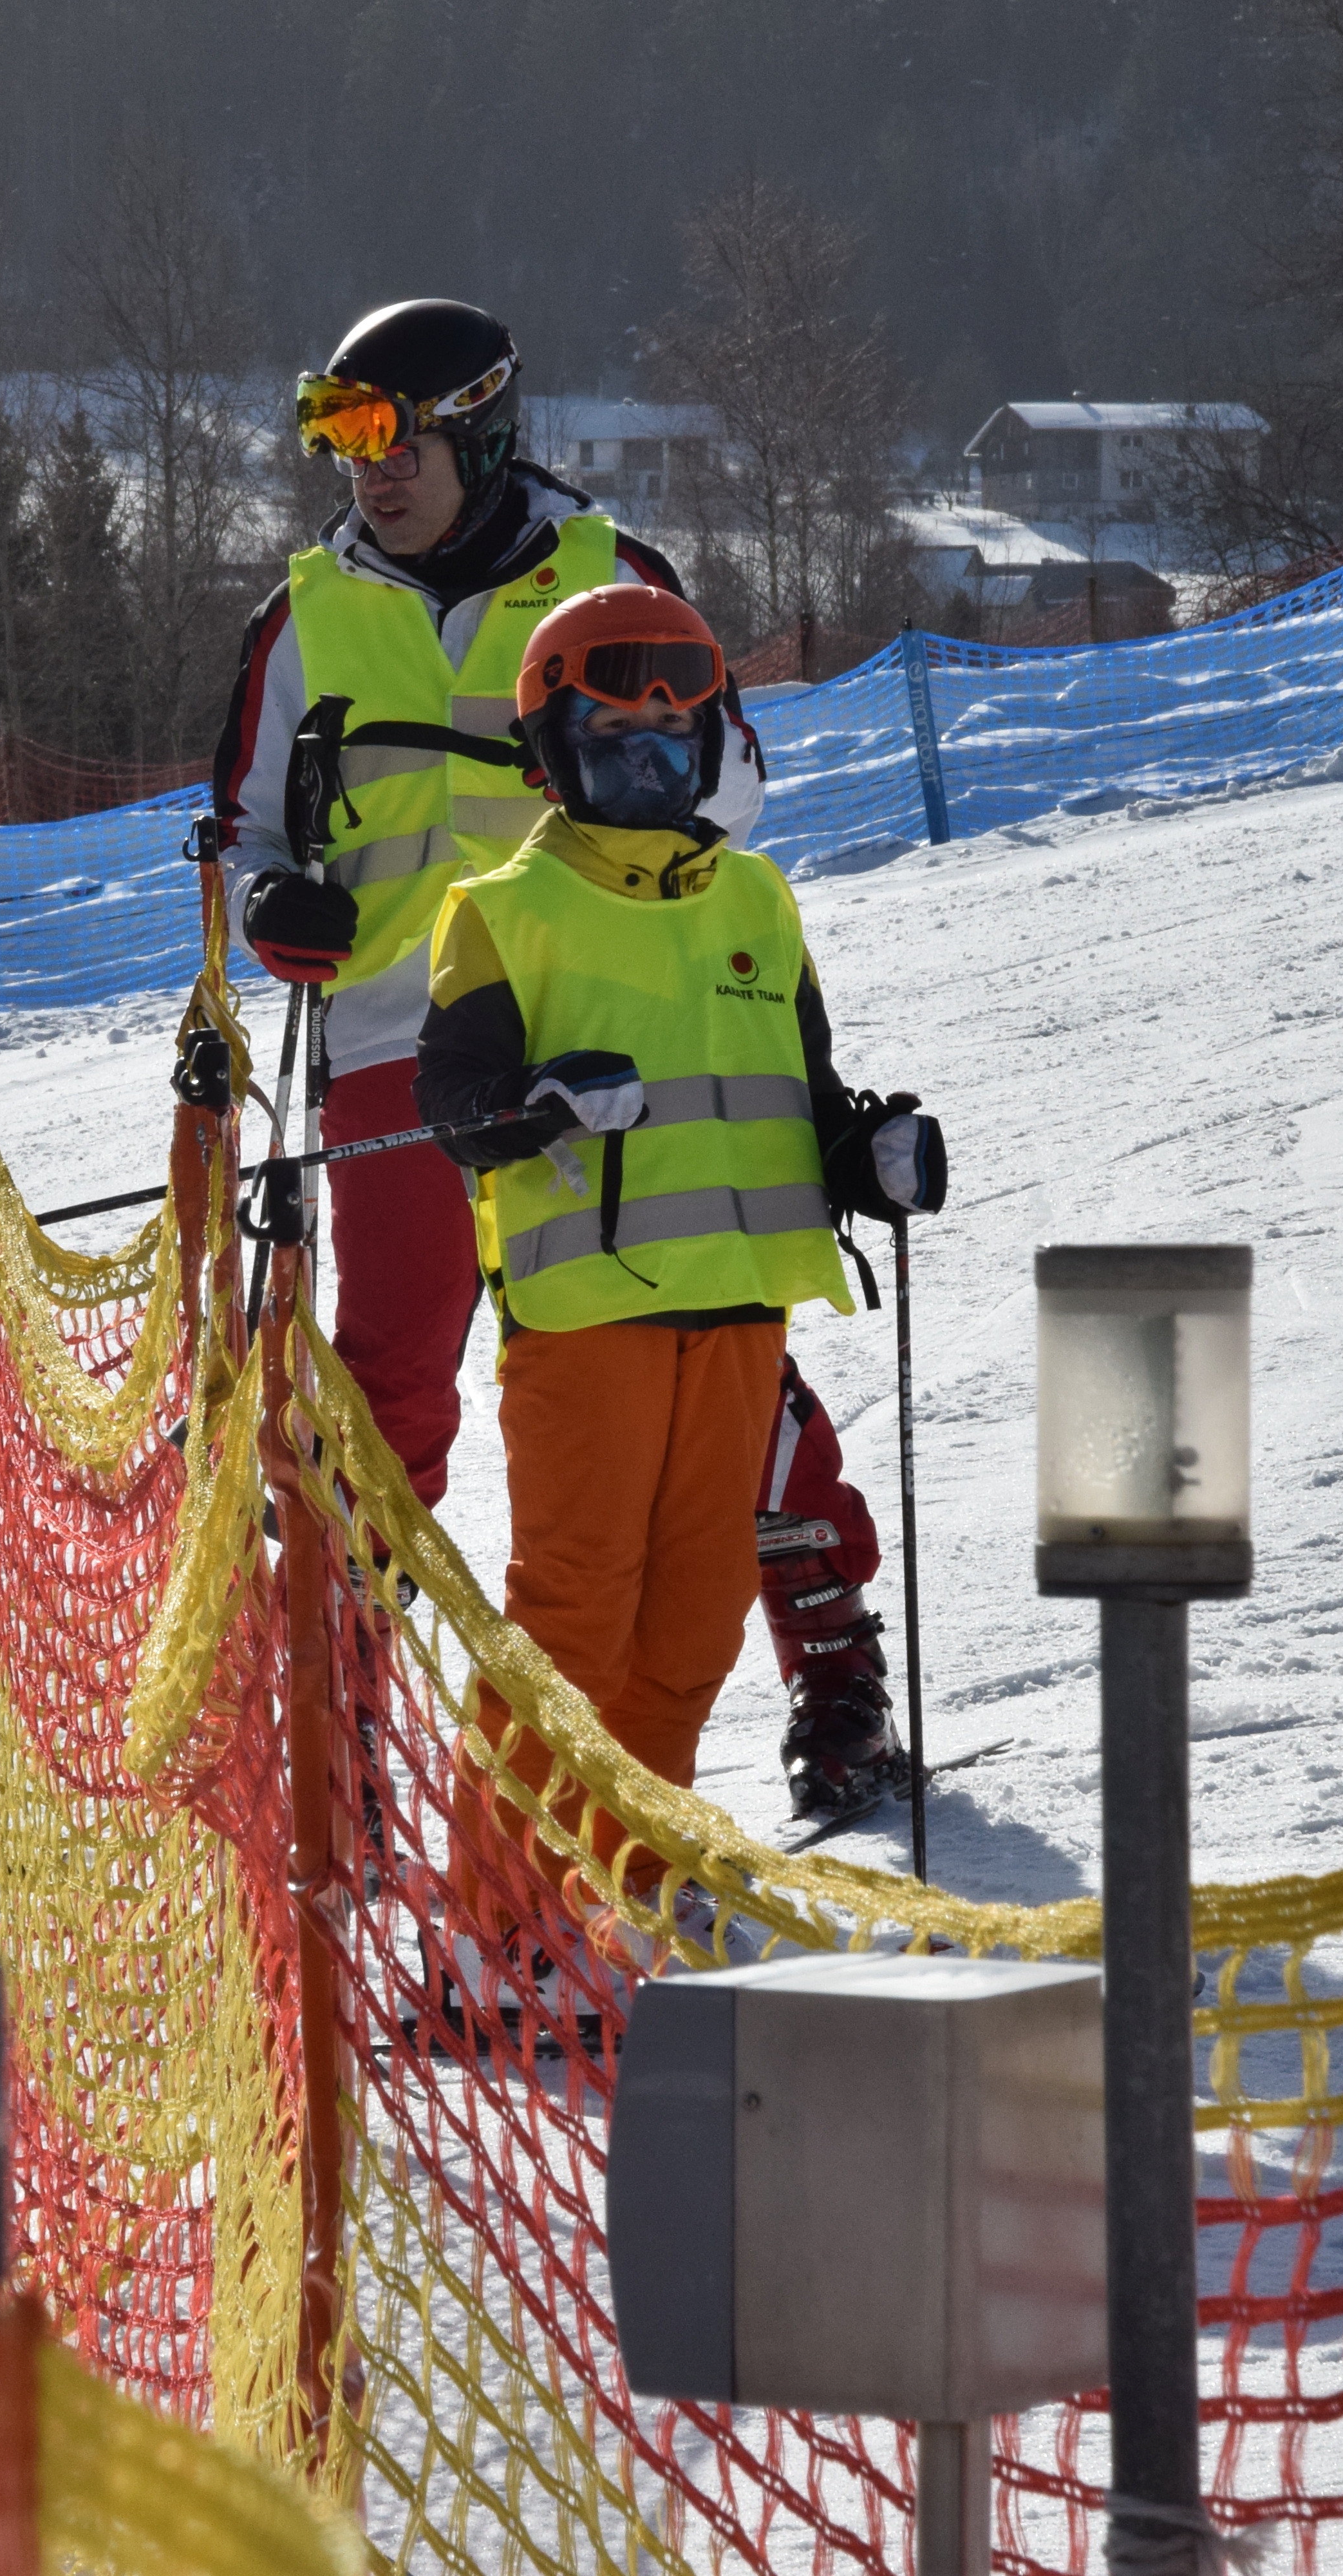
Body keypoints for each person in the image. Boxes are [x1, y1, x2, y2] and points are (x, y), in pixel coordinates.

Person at [205, 294, 910, 1816]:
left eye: (390, 433)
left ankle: (831, 1657)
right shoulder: (306, 614)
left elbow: (731, 785)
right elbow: (245, 832)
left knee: (714, 1360)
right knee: (388, 1389)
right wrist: (275, 900)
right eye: (338, 434)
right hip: (401, 1039)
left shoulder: (612, 576)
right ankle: (338, 1723)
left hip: (621, 1028)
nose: (364, 469)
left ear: (481, 424)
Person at [411, 586, 939, 1941]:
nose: (649, 755)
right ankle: (497, 1920)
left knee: (697, 1622)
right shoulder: (502, 908)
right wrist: (537, 1100)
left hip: (742, 1314)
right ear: (552, 747)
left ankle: (629, 1877)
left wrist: (869, 1152)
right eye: (613, 731)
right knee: (578, 1613)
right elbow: (455, 1110)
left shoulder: (758, 897)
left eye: (674, 731)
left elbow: (803, 1098)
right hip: (586, 1318)